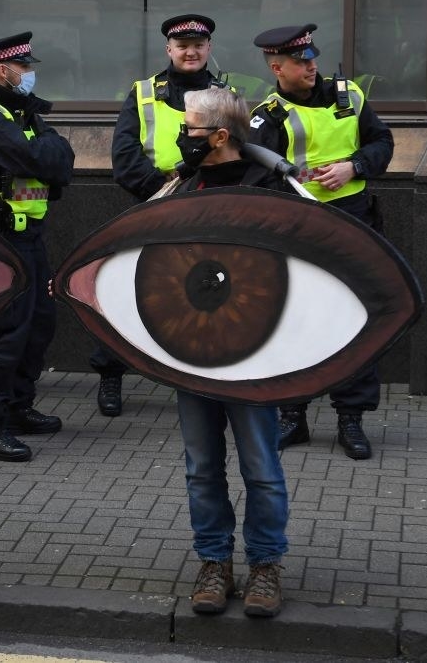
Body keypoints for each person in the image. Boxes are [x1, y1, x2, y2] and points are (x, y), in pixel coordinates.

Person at [249, 23, 394, 460]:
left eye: (312, 57)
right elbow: (255, 180)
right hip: (300, 228)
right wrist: (292, 189)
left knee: (356, 317)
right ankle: (293, 416)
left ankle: (351, 418)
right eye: (300, 60)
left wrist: (355, 166)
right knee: (296, 320)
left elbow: (382, 142)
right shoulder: (268, 115)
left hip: (354, 221)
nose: (311, 65)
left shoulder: (350, 96)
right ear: (277, 67)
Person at [174, 86, 290, 618]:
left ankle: (265, 564)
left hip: (253, 354)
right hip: (193, 350)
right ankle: (214, 561)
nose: (182, 134)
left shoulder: (271, 190)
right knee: (202, 466)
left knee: (260, 465)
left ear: (220, 135)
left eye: (191, 126)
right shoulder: (181, 186)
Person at [0, 32, 75, 461]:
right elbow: (40, 160)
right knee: (5, 333)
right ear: (2, 70)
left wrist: (49, 150)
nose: (29, 73)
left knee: (38, 324)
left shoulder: (18, 112)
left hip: (30, 234)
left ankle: (20, 408)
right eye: (23, 66)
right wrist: (50, 149)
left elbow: (60, 161)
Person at [102, 14, 226, 418]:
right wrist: (161, 191)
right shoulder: (141, 93)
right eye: (182, 45)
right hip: (151, 205)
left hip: (205, 209)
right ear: (169, 50)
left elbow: (234, 153)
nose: (191, 52)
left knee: (204, 292)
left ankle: (203, 380)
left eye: (198, 44)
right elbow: (124, 157)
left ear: (208, 48)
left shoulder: (226, 94)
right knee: (126, 293)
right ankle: (109, 374)